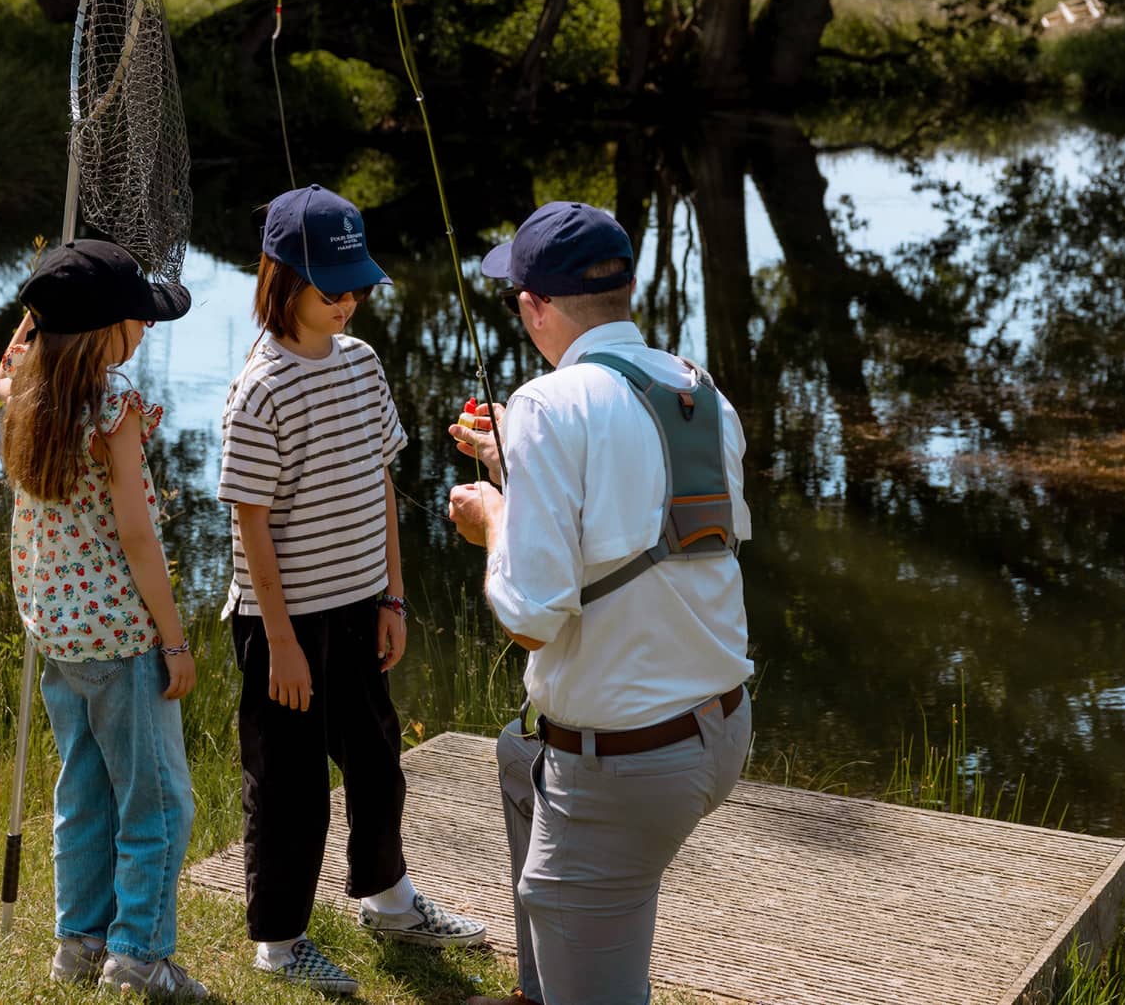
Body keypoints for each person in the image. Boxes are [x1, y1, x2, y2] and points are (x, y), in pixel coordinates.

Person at [446, 200, 754, 1005]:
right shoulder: (698, 391)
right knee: (521, 759)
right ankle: (540, 986)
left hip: (628, 762)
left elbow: (530, 617)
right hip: (719, 728)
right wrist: (511, 456)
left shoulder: (548, 406)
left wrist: (496, 516)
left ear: (532, 306)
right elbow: (639, 525)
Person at [218, 184, 487, 994]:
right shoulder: (257, 391)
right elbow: (250, 524)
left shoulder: (363, 366)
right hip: (284, 625)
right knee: (292, 790)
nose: (349, 303)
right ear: (282, 282)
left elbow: (379, 487)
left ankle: (387, 897)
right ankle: (279, 940)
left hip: (359, 607)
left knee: (378, 767)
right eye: (332, 290)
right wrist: (284, 643)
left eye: (358, 287)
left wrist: (392, 596)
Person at [0, 238, 205, 1002]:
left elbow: (13, 353)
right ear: (104, 335)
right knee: (156, 800)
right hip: (120, 640)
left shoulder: (22, 389)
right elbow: (138, 537)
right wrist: (173, 641)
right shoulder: (112, 410)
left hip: (57, 636)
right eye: (137, 319)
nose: (147, 330)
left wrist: (36, 312)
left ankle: (78, 943)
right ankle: (139, 955)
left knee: (84, 790)